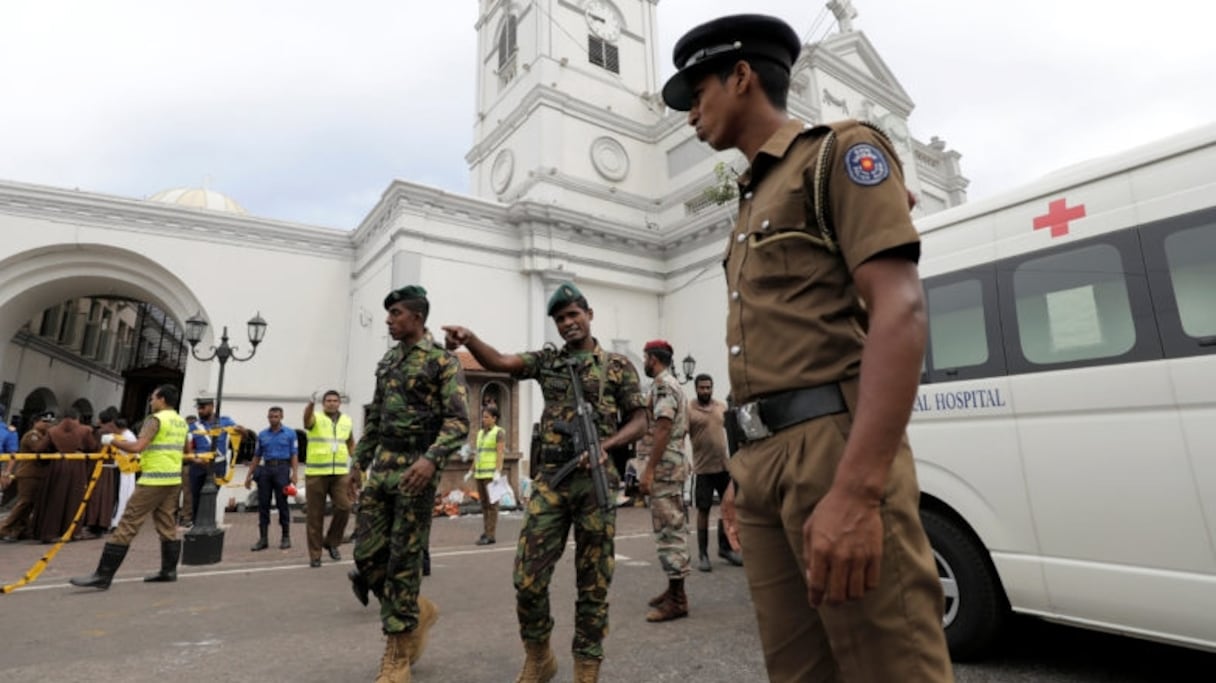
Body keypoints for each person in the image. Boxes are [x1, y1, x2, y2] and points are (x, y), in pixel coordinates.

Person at [661, 14, 953, 682]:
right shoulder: (749, 197)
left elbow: (900, 310)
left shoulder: (840, 152)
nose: (689, 115)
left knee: (891, 665)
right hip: (762, 462)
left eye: (697, 91)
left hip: (832, 449)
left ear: (741, 77)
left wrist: (856, 491)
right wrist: (744, 469)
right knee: (797, 671)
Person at [443, 280, 648, 683]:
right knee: (528, 580)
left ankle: (586, 669)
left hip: (595, 484)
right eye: (560, 319)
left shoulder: (619, 367)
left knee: (593, 585)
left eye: (573, 315)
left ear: (589, 315)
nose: (567, 323)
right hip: (552, 482)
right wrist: (470, 338)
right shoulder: (549, 362)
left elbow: (640, 420)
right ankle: (539, 657)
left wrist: (607, 444)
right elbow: (502, 362)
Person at [348, 285, 469, 682]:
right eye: (388, 313)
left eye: (395, 313)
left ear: (416, 317)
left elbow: (457, 422)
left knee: (403, 560)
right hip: (383, 466)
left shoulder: (442, 362)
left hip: (416, 470)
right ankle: (417, 610)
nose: (388, 319)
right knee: (366, 555)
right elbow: (377, 418)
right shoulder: (387, 362)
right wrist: (357, 463)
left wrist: (430, 460)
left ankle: (397, 654)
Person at [70, 384, 192, 590]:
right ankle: (168, 571)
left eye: (153, 398)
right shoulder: (181, 421)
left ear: (161, 399)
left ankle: (103, 575)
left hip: (153, 479)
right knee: (166, 524)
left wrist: (112, 441)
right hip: (172, 479)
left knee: (128, 522)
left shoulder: (155, 419)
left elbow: (137, 447)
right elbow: (187, 450)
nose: (151, 401)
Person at [638, 340, 691, 623]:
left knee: (669, 530)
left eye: (645, 357)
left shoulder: (663, 385)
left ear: (653, 359)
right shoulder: (672, 384)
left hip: (665, 469)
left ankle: (678, 599)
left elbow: (663, 428)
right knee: (672, 526)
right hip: (672, 465)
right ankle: (673, 590)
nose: (645, 362)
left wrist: (649, 469)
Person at [686, 374, 742, 571]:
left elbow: (734, 430)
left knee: (727, 507)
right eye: (702, 388)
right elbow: (679, 435)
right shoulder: (689, 410)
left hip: (724, 467)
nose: (705, 391)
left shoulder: (721, 408)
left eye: (708, 387)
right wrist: (684, 460)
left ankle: (725, 549)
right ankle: (703, 554)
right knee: (704, 510)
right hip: (703, 469)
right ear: (696, 388)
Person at [303, 390, 354, 567]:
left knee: (345, 507)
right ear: (323, 403)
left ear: (339, 403)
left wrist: (356, 465)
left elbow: (350, 442)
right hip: (316, 474)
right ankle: (315, 555)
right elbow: (306, 421)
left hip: (340, 472)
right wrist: (310, 404)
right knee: (315, 515)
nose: (331, 403)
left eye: (335, 400)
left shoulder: (346, 420)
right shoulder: (316, 417)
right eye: (328, 400)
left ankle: (331, 542)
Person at [34, 407, 98, 542]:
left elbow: (39, 449)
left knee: (54, 498)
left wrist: (52, 455)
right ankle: (73, 532)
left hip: (58, 464)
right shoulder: (85, 430)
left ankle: (49, 533)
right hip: (77, 465)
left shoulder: (52, 430)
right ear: (77, 417)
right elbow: (93, 447)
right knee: (74, 499)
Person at [244, 406, 298, 552]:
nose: (273, 419)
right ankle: (263, 539)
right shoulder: (262, 435)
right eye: (271, 416)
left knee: (282, 503)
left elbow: (294, 454)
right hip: (266, 470)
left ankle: (285, 537)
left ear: (281, 417)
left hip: (282, 469)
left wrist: (294, 473)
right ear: (268, 417)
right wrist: (249, 475)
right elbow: (257, 456)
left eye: (276, 416)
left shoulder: (290, 433)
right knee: (263, 504)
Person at [0, 411, 53, 542]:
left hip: (38, 474)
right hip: (28, 473)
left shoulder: (42, 436)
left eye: (49, 422)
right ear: (36, 422)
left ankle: (21, 529)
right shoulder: (32, 435)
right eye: (44, 422)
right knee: (24, 502)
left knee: (30, 504)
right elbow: (39, 449)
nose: (48, 425)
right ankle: (4, 528)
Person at [185, 397, 237, 527]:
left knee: (211, 496)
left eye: (203, 407)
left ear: (212, 407)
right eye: (198, 408)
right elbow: (188, 450)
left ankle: (208, 523)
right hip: (199, 465)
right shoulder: (192, 427)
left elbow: (240, 434)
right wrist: (196, 460)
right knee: (196, 496)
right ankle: (196, 524)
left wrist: (241, 430)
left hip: (218, 464)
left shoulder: (225, 421)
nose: (200, 410)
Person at [468, 405, 504, 545]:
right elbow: (478, 453)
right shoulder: (480, 433)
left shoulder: (499, 432)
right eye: (483, 417)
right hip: (480, 474)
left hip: (491, 475)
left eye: (487, 417)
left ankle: (491, 535)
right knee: (484, 505)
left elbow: (500, 453)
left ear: (494, 419)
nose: (484, 419)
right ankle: (486, 531)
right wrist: (471, 470)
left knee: (492, 505)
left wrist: (497, 471)